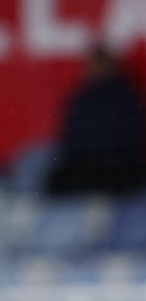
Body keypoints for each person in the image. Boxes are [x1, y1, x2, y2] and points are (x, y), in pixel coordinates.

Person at [46, 43, 146, 194]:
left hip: (119, 166)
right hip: (85, 165)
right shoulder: (80, 97)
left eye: (100, 64)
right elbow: (67, 138)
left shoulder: (126, 96)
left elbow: (132, 137)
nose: (95, 68)